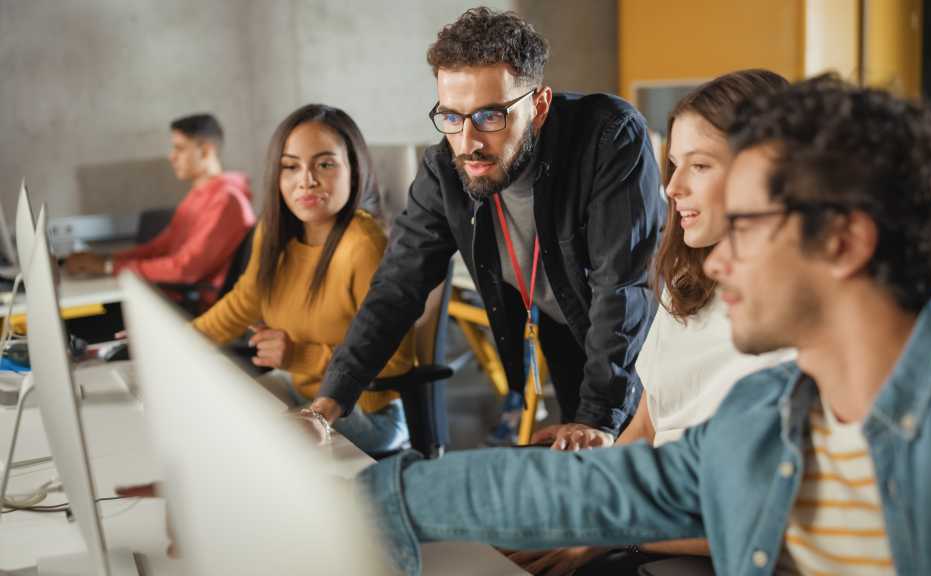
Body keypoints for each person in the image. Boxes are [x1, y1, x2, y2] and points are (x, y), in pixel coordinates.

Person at [357, 75, 931, 575]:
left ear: (844, 241)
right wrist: (387, 495)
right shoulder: (760, 420)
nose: (721, 258)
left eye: (748, 226)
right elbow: (597, 488)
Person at [310, 7, 662, 450]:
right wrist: (326, 406)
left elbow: (623, 287)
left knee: (645, 474)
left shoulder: (608, 136)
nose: (468, 142)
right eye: (452, 117)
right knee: (593, 480)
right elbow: (397, 287)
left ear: (539, 106)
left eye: (490, 116)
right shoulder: (445, 167)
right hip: (567, 333)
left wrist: (598, 416)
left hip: (648, 344)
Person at [510, 69, 792, 576]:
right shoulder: (687, 286)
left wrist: (610, 534)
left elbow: (766, 517)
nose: (671, 186)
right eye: (674, 164)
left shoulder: (797, 327)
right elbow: (648, 421)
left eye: (700, 165)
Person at [193, 104, 415, 456]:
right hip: (301, 391)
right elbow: (243, 303)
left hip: (367, 414)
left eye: (325, 164)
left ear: (354, 170)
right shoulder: (274, 232)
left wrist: (300, 356)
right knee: (219, 415)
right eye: (290, 166)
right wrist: (178, 340)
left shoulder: (364, 245)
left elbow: (398, 359)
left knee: (260, 445)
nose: (306, 180)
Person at [65, 114, 254, 308]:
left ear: (205, 151)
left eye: (179, 148)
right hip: (173, 296)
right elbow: (159, 247)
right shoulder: (198, 195)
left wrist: (109, 267)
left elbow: (185, 269)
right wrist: (108, 259)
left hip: (194, 309)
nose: (172, 156)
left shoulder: (227, 201)